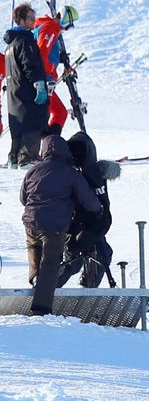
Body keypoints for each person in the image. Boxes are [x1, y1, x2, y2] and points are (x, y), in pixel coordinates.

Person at [20, 134, 102, 316]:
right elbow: (87, 198)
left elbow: (23, 197)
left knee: (34, 251)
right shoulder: (70, 173)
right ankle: (41, 308)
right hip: (54, 227)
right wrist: (98, 210)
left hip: (31, 222)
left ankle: (35, 280)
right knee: (50, 264)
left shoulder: (33, 170)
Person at [57, 131, 120, 288]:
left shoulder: (93, 173)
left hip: (89, 227)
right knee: (73, 262)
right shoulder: (72, 174)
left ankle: (86, 289)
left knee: (103, 254)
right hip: (73, 227)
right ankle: (45, 291)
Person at [4, 3, 49, 168]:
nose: (33, 21)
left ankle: (14, 158)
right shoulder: (25, 40)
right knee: (33, 121)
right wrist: (39, 84)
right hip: (27, 96)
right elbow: (30, 64)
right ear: (21, 20)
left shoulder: (10, 44)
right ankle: (27, 158)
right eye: (30, 18)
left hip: (15, 97)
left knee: (19, 127)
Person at [33, 5, 79, 135]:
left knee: (60, 113)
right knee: (44, 118)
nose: (66, 28)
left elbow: (47, 53)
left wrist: (60, 58)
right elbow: (41, 53)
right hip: (44, 81)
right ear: (62, 17)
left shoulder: (51, 29)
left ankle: (51, 147)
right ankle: (43, 152)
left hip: (46, 79)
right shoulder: (50, 28)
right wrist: (45, 80)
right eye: (67, 24)